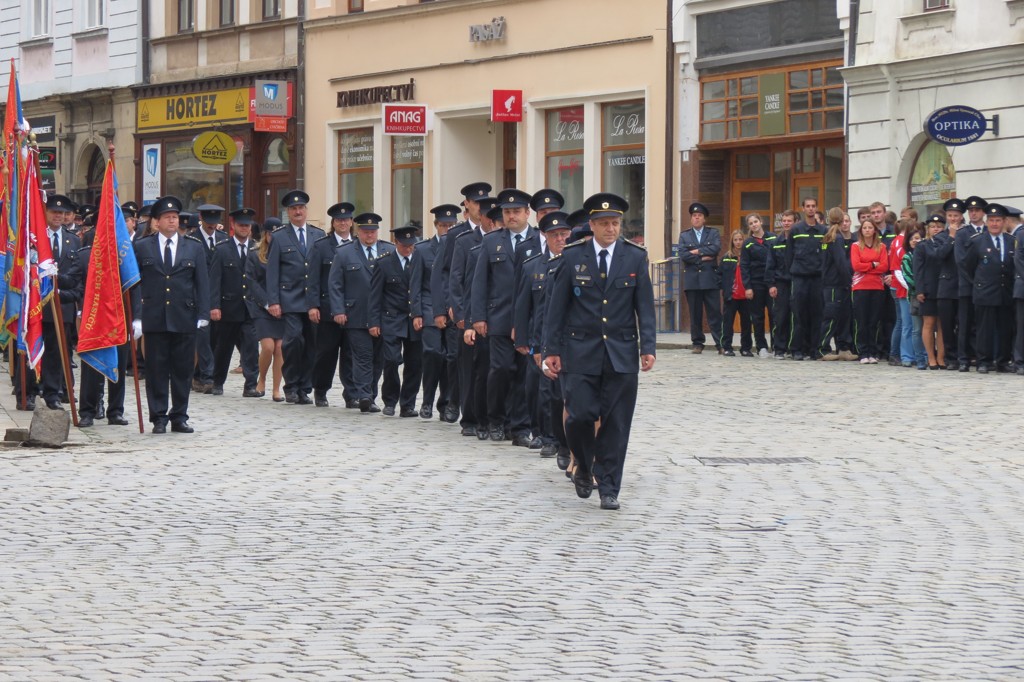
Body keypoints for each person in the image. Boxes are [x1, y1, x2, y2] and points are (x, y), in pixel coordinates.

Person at [543, 192, 656, 511]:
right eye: (604, 223)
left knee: (617, 423)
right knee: (579, 415)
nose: (611, 229)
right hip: (580, 351)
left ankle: (609, 487)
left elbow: (644, 306)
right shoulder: (573, 256)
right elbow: (557, 307)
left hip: (621, 352)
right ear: (591, 225)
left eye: (616, 223)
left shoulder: (635, 257)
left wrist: (648, 346)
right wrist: (551, 349)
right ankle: (585, 464)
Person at [132, 196, 210, 433]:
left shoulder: (193, 247)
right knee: (156, 370)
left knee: (183, 370)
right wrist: (137, 316)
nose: (172, 221)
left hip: (184, 317)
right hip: (154, 317)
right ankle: (158, 417)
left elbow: (202, 283)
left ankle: (179, 416)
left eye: (175, 217)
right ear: (156, 222)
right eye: (167, 217)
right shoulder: (143, 246)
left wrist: (203, 313)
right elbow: (136, 284)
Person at [471, 187, 538, 444]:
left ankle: (519, 427)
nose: (512, 216)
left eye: (517, 211)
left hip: (528, 319)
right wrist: (478, 317)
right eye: (508, 212)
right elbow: (479, 283)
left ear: (527, 213)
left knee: (523, 373)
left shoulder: (538, 240)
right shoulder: (491, 241)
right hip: (498, 317)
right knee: (499, 370)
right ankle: (495, 420)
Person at [514, 210, 572, 465]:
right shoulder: (532, 266)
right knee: (541, 391)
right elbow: (522, 306)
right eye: (554, 235)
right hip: (539, 338)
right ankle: (547, 437)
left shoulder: (574, 263)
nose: (560, 239)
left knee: (563, 394)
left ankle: (562, 441)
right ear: (544, 237)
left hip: (569, 340)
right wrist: (523, 339)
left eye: (564, 234)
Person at [433, 182, 492, 426]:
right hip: (461, 309)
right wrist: (449, 306)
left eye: (484, 203)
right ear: (466, 205)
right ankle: (454, 402)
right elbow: (445, 273)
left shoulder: (496, 232)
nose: (480, 208)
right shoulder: (457, 235)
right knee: (459, 359)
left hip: (489, 311)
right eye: (476, 203)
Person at [329, 212, 397, 412]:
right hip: (355, 313)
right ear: (357, 231)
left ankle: (370, 394)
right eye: (366, 231)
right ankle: (364, 395)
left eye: (373, 231)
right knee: (362, 356)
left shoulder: (389, 250)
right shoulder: (344, 252)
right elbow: (335, 284)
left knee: (379, 358)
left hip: (383, 315)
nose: (370, 235)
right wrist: (338, 310)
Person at [266, 190, 325, 404]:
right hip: (289, 298)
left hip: (313, 301)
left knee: (312, 344)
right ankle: (291, 384)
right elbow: (272, 271)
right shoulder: (280, 236)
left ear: (306, 211)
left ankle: (304, 387)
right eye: (293, 209)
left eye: (301, 208)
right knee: (293, 341)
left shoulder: (318, 235)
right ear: (288, 213)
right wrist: (273, 301)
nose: (298, 211)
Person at [369, 225, 424, 417]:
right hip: (391, 318)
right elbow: (375, 295)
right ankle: (390, 400)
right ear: (396, 243)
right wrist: (374, 322)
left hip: (414, 319)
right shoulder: (384, 263)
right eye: (404, 245)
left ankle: (408, 403)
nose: (408, 249)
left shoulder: (419, 259)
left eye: (411, 245)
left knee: (415, 363)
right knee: (391, 360)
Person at [307, 202, 357, 408]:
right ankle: (320, 389)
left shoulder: (358, 245)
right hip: (327, 309)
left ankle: (351, 393)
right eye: (339, 220)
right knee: (326, 353)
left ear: (352, 222)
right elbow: (313, 279)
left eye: (346, 220)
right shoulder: (321, 246)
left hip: (353, 309)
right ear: (333, 223)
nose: (343, 223)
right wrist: (313, 305)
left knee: (350, 354)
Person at [38, 194, 84, 410]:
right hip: (37, 305)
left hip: (63, 304)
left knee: (58, 351)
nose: (58, 216)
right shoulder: (36, 238)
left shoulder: (73, 239)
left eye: (62, 213)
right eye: (54, 212)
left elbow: (76, 275)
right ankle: (28, 390)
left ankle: (53, 392)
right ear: (46, 213)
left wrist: (57, 288)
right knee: (37, 348)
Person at [209, 207, 260, 397]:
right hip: (228, 307)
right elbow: (214, 280)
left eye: (247, 225)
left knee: (251, 348)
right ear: (233, 225)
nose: (244, 228)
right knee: (223, 348)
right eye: (241, 225)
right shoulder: (222, 249)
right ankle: (218, 382)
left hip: (250, 308)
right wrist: (214, 306)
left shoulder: (257, 248)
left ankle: (251, 385)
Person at [416, 204, 459, 419]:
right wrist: (417, 313)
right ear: (436, 226)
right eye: (444, 225)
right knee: (433, 354)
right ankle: (427, 401)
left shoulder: (460, 246)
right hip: (429, 309)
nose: (447, 229)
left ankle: (446, 403)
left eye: (451, 225)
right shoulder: (423, 249)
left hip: (452, 310)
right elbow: (416, 284)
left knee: (451, 358)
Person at [964, 203, 1015, 374]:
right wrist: (979, 284)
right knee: (984, 329)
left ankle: (1002, 361)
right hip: (985, 292)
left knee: (1005, 328)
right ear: (986, 222)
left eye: (998, 220)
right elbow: (968, 267)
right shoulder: (977, 241)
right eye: (991, 220)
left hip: (1005, 291)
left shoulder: (1011, 241)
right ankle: (983, 361)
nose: (994, 224)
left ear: (1004, 221)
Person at [245, 219, 285, 401]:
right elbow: (252, 282)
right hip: (262, 307)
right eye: (270, 234)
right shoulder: (254, 254)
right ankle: (261, 380)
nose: (273, 237)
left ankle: (277, 389)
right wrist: (268, 303)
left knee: (280, 347)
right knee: (268, 346)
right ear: (265, 234)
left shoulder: (285, 253)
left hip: (282, 306)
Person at [678, 202, 722, 354]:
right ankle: (697, 342)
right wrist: (702, 257)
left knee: (715, 313)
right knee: (695, 314)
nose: (696, 218)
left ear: (704, 219)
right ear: (691, 219)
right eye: (694, 216)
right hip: (692, 280)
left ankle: (720, 342)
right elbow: (683, 254)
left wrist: (695, 251)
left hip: (710, 278)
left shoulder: (713, 233)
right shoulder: (684, 235)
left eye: (699, 216)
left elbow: (715, 248)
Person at [787, 197, 826, 360]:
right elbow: (788, 254)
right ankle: (797, 349)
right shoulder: (796, 230)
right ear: (803, 209)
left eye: (813, 206)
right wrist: (792, 272)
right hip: (800, 277)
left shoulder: (823, 231)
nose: (811, 209)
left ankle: (814, 349)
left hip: (817, 278)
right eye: (808, 206)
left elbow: (825, 253)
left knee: (817, 314)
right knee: (799, 314)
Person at [955, 195, 988, 371]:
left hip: (987, 287)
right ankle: (963, 358)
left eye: (977, 210)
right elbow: (961, 261)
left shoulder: (989, 231)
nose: (974, 213)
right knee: (965, 323)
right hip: (968, 286)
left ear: (983, 212)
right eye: (971, 211)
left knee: (982, 324)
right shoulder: (963, 233)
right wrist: (975, 282)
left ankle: (981, 357)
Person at [818, 208, 856, 361]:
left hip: (831, 283)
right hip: (836, 284)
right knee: (832, 316)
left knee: (843, 316)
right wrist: (849, 279)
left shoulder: (828, 237)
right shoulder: (836, 238)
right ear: (841, 220)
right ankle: (823, 348)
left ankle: (843, 347)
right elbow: (841, 263)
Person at [850, 219, 889, 364]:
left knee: (874, 321)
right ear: (861, 230)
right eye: (864, 227)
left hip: (877, 287)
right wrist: (873, 264)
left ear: (874, 230)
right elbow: (856, 266)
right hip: (860, 287)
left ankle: (873, 351)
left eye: (870, 227)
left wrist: (868, 267)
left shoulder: (882, 246)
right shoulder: (855, 246)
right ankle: (862, 352)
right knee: (861, 321)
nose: (867, 230)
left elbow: (884, 266)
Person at [931, 199, 963, 369]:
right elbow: (940, 256)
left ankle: (964, 355)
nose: (953, 219)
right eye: (950, 216)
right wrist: (951, 237)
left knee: (964, 324)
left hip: (963, 285)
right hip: (946, 286)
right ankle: (951, 357)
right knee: (947, 324)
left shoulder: (966, 233)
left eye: (956, 216)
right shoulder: (940, 237)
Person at [739, 213, 774, 357]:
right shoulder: (748, 243)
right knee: (758, 317)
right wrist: (748, 287)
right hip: (755, 283)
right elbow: (745, 266)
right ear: (749, 227)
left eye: (756, 221)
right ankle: (761, 347)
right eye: (751, 223)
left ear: (761, 222)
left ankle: (777, 345)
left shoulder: (773, 238)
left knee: (775, 316)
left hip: (771, 283)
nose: (754, 225)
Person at [912, 218, 943, 369]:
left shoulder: (947, 244)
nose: (936, 229)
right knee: (929, 324)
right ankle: (931, 358)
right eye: (932, 227)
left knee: (943, 325)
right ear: (927, 229)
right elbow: (917, 270)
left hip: (944, 289)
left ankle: (941, 357)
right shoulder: (922, 246)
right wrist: (920, 290)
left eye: (939, 227)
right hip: (928, 289)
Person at [718, 231, 751, 357]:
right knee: (727, 323)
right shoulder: (727, 257)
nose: (738, 242)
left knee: (747, 324)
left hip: (746, 295)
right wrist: (725, 288)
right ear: (732, 242)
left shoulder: (748, 256)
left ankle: (746, 348)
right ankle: (727, 347)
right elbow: (719, 274)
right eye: (735, 240)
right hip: (731, 296)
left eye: (740, 239)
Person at [770, 210, 796, 358]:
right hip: (781, 283)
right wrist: (771, 284)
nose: (786, 223)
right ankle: (779, 348)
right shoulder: (775, 242)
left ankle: (795, 347)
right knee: (780, 316)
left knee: (797, 317)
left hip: (797, 281)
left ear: (795, 222)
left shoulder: (798, 241)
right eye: (784, 220)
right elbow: (770, 265)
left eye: (789, 220)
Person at [888, 218, 914, 367]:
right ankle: (899, 354)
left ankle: (896, 353)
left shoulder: (895, 241)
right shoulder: (902, 243)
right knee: (904, 323)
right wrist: (910, 287)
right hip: (901, 286)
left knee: (900, 322)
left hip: (897, 285)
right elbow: (899, 268)